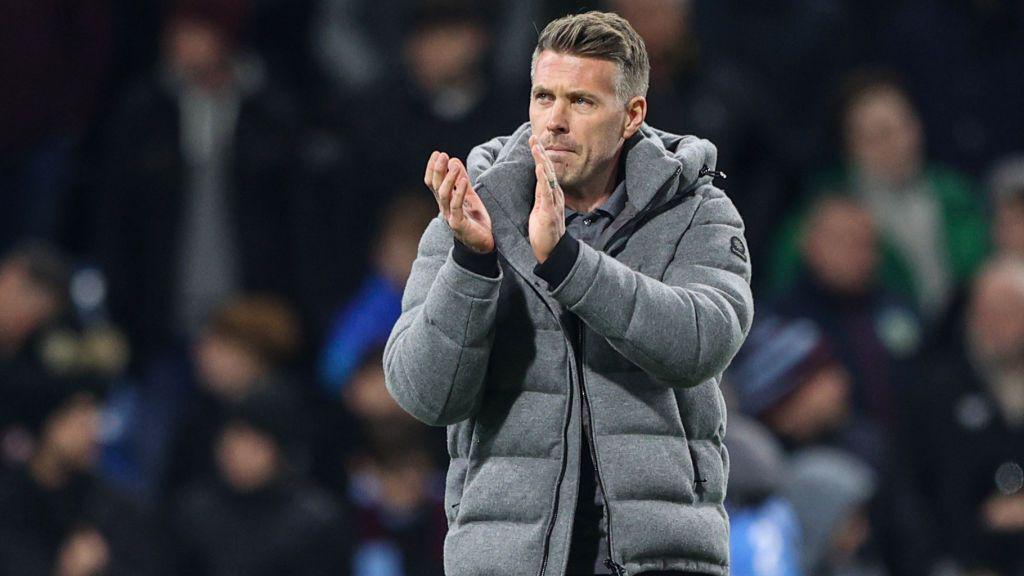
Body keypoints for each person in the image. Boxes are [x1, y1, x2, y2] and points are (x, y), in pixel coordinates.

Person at [384, 11, 753, 576]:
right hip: (508, 557)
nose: (554, 121)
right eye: (543, 97)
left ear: (632, 115)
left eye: (581, 102)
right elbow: (425, 395)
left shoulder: (696, 211)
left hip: (660, 555)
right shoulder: (473, 215)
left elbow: (699, 344)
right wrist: (471, 264)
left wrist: (569, 263)